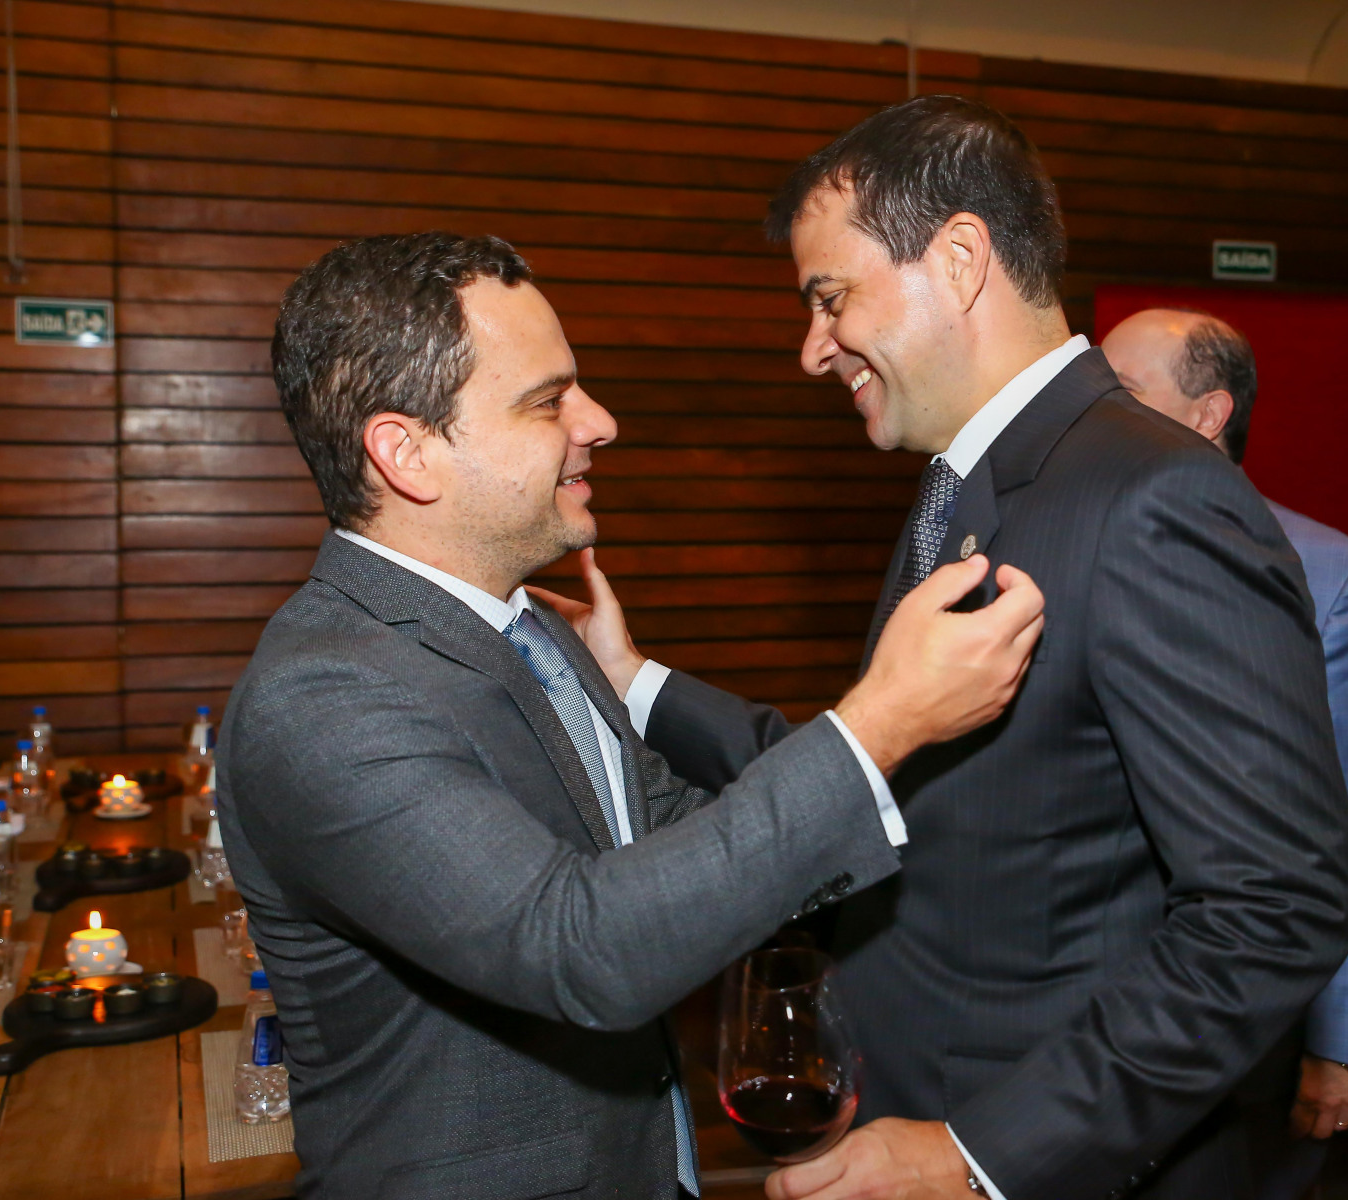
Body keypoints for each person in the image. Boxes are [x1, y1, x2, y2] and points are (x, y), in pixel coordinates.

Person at [548, 97, 1348, 1200]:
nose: (812, 349)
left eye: (830, 298)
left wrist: (978, 1158)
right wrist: (630, 680)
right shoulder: (966, 483)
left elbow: (1275, 911)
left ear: (961, 259)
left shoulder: (1152, 495)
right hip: (907, 1104)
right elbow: (893, 776)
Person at [214, 232, 1046, 1199]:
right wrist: (877, 724)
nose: (599, 422)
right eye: (548, 401)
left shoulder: (530, 627)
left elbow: (672, 841)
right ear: (408, 454)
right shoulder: (321, 696)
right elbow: (582, 950)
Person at [1102, 308, 1348, 1197]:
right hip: (1086, 1005)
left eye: (1122, 393)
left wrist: (1345, 1045)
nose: (1094, 414)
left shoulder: (1333, 576)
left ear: (1208, 414)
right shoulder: (1064, 540)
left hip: (1246, 1010)